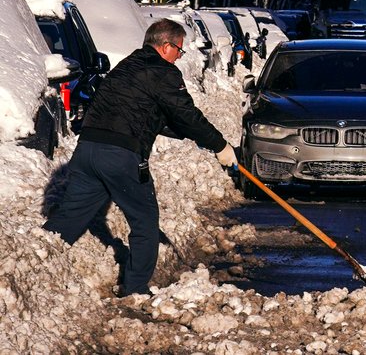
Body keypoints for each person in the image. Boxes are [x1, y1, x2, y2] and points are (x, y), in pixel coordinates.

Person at [43, 19, 236, 297]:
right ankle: (136, 290)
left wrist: (189, 136)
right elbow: (186, 114)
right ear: (166, 46)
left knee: (71, 217)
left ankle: (37, 265)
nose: (180, 57)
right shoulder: (162, 72)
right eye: (179, 51)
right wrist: (220, 145)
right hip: (121, 156)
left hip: (87, 151)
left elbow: (144, 112)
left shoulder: (127, 67)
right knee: (145, 222)